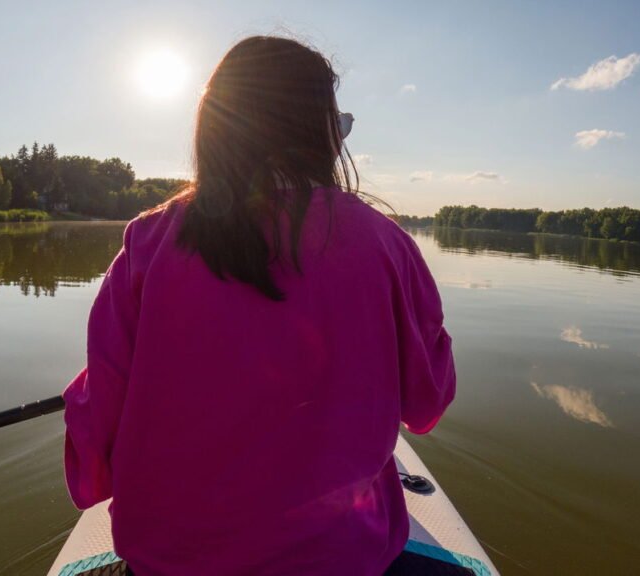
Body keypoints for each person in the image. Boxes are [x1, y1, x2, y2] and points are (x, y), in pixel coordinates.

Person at [62, 35, 455, 576]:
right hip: (339, 560)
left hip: (168, 562)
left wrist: (98, 479)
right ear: (318, 133)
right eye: (340, 123)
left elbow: (96, 428)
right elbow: (427, 404)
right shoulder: (387, 245)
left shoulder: (147, 242)